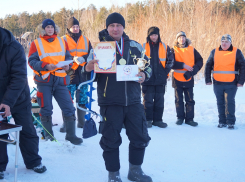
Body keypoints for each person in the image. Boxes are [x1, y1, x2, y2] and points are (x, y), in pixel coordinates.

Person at [84, 12, 152, 182]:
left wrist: (145, 75)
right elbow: (86, 76)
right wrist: (87, 68)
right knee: (110, 139)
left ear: (123, 27)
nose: (115, 28)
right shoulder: (99, 48)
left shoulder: (136, 47)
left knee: (140, 136)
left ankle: (135, 170)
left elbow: (149, 67)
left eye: (118, 25)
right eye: (112, 25)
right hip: (110, 101)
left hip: (134, 101)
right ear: (107, 28)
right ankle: (113, 174)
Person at [0, 27, 46, 180]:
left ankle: (33, 161)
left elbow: (19, 78)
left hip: (18, 97)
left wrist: (7, 102)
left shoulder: (15, 48)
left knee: (26, 129)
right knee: (0, 132)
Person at [28, 19, 83, 145]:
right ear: (43, 29)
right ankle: (49, 136)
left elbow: (68, 57)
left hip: (60, 80)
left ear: (55, 29)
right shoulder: (36, 43)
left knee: (69, 108)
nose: (50, 29)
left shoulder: (62, 41)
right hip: (44, 80)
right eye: (47, 27)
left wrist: (68, 66)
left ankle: (71, 136)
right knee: (46, 109)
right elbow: (31, 61)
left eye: (52, 27)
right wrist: (45, 66)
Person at [205, 34, 245, 129]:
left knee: (229, 102)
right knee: (220, 102)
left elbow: (243, 66)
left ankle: (230, 122)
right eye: (222, 42)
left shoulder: (237, 52)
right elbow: (208, 65)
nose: (224, 44)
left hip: (231, 82)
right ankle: (222, 121)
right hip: (217, 82)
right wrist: (208, 79)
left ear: (230, 42)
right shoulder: (214, 51)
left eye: (226, 42)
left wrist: (241, 81)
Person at [59, 17, 92, 132]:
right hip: (69, 73)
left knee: (82, 98)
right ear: (69, 28)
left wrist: (84, 58)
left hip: (83, 73)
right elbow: (60, 55)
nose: (76, 28)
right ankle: (67, 123)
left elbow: (91, 53)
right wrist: (73, 59)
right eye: (73, 27)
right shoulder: (63, 40)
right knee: (67, 100)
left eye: (77, 26)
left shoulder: (86, 39)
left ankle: (81, 123)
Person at [142, 26, 174, 128]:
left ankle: (158, 120)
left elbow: (171, 60)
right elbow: (138, 61)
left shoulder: (165, 46)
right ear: (148, 35)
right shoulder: (142, 46)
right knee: (148, 101)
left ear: (158, 35)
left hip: (160, 79)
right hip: (147, 78)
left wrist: (165, 72)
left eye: (155, 34)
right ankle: (147, 120)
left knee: (159, 101)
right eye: (152, 35)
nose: (154, 37)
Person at [171, 31, 203, 126]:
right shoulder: (173, 50)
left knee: (190, 100)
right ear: (177, 40)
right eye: (180, 37)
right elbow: (171, 63)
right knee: (178, 100)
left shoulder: (192, 49)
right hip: (177, 78)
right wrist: (183, 65)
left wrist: (192, 72)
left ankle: (189, 119)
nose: (182, 39)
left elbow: (200, 61)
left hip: (188, 78)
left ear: (186, 38)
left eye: (183, 37)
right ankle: (180, 118)